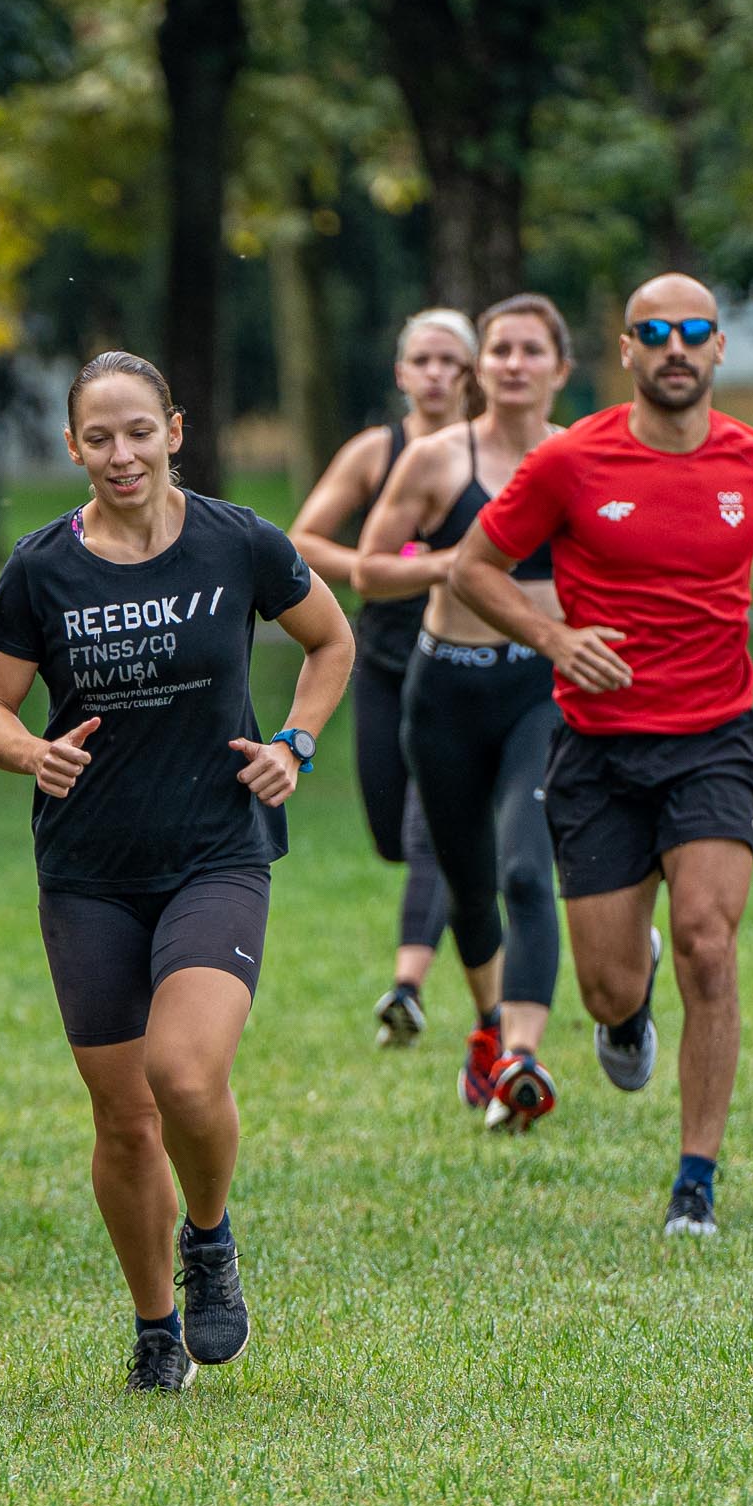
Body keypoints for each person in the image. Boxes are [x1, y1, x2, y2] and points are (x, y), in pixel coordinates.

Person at [0, 353, 355, 1392]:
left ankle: (212, 1238)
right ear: (72, 447)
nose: (122, 453)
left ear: (174, 429)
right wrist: (28, 751)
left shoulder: (240, 542)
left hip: (216, 851)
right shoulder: (42, 568)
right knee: (121, 1115)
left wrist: (298, 744)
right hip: (88, 868)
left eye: (139, 430)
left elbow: (330, 642)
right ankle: (152, 1327)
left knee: (182, 1073)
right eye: (100, 437)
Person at [447, 275, 753, 1240]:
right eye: (655, 333)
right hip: (596, 749)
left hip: (717, 739)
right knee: (608, 987)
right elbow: (472, 568)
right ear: (626, 350)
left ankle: (695, 1184)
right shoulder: (572, 460)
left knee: (712, 944)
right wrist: (555, 641)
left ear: (718, 351)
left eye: (695, 333)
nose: (677, 347)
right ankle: (628, 1007)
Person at [355, 296, 573, 1135]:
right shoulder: (437, 459)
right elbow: (371, 569)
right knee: (468, 882)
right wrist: (457, 562)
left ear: (560, 367)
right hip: (442, 689)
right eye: (501, 350)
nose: (514, 363)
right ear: (482, 368)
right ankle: (488, 1026)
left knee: (525, 870)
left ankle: (524, 1053)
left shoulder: (583, 459)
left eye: (532, 350)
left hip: (536, 692)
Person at [286, 310, 476, 1048]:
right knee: (393, 834)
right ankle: (477, 874)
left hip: (462, 664)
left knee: (434, 826)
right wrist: (387, 570)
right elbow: (301, 538)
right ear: (401, 373)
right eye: (422, 360)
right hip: (384, 657)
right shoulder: (376, 451)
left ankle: (409, 986)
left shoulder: (489, 454)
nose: (434, 374)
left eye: (449, 362)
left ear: (471, 375)